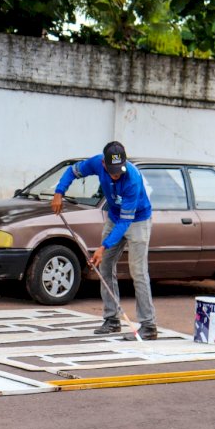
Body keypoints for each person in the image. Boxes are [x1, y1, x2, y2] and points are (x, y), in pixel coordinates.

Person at [51, 141, 157, 340]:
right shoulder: (95, 163)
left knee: (138, 272)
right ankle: (111, 320)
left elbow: (126, 222)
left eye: (120, 170)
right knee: (104, 268)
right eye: (112, 171)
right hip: (115, 216)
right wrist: (59, 192)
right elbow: (72, 172)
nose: (116, 175)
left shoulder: (132, 179)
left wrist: (103, 246)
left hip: (137, 221)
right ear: (104, 164)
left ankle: (149, 325)